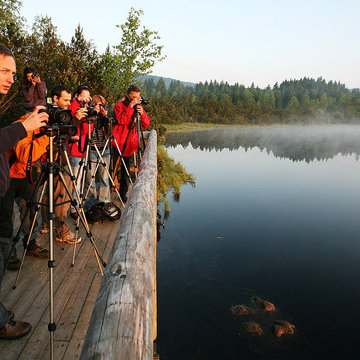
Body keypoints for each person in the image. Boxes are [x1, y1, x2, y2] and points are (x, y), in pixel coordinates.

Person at [0, 45, 48, 340]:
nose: (10, 78)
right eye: (4, 71)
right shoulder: (20, 122)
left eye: (13, 73)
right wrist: (23, 127)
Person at [39, 85, 83, 244]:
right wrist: (76, 119)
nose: (68, 103)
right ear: (55, 99)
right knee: (61, 196)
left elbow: (67, 132)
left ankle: (44, 224)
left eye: (70, 100)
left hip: (50, 157)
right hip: (57, 158)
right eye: (65, 100)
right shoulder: (52, 114)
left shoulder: (56, 113)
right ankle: (62, 231)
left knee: (47, 192)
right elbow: (68, 130)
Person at [113, 84, 150, 202]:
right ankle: (108, 192)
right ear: (128, 95)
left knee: (125, 172)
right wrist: (130, 106)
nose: (136, 99)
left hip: (129, 145)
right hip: (117, 143)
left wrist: (142, 113)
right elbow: (121, 120)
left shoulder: (138, 107)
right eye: (133, 97)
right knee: (112, 169)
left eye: (137, 97)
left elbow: (146, 124)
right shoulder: (119, 106)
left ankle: (123, 194)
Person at [68, 85, 91, 215]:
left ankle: (75, 205)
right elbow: (72, 129)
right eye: (84, 96)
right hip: (74, 149)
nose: (87, 99)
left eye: (88, 96)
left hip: (82, 149)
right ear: (76, 96)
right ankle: (72, 207)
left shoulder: (85, 108)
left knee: (79, 179)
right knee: (74, 181)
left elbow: (88, 131)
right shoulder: (72, 107)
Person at [85, 94, 111, 205]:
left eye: (102, 105)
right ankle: (91, 202)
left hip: (104, 149)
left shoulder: (104, 117)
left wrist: (106, 117)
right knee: (90, 179)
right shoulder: (89, 116)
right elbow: (87, 131)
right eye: (98, 105)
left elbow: (110, 133)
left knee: (104, 178)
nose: (101, 108)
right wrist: (94, 114)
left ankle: (104, 201)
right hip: (92, 150)